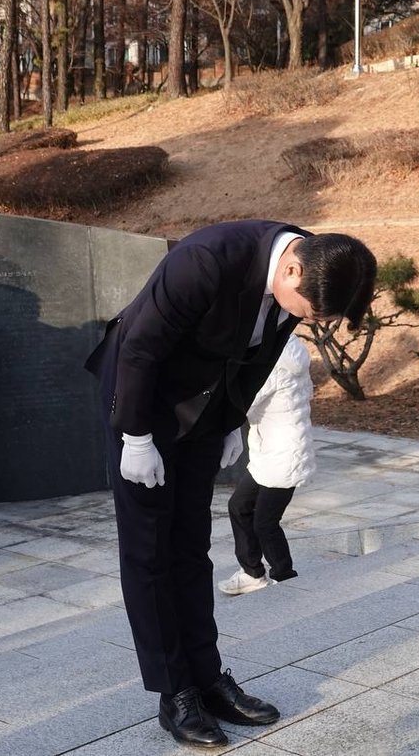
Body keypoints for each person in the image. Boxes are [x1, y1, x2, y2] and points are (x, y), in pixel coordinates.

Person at [85, 220, 376, 749]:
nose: (309, 321)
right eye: (311, 312)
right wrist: (135, 436)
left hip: (206, 409)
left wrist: (229, 424)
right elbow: (139, 351)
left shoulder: (313, 263)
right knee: (150, 552)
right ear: (291, 270)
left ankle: (207, 677)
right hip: (141, 400)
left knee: (191, 547)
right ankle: (174, 692)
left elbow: (256, 357)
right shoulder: (205, 261)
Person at [218, 334, 315, 596]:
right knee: (239, 506)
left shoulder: (274, 365)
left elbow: (244, 403)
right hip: (271, 453)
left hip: (285, 456)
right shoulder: (290, 350)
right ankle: (252, 573)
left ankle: (285, 578)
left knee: (265, 522)